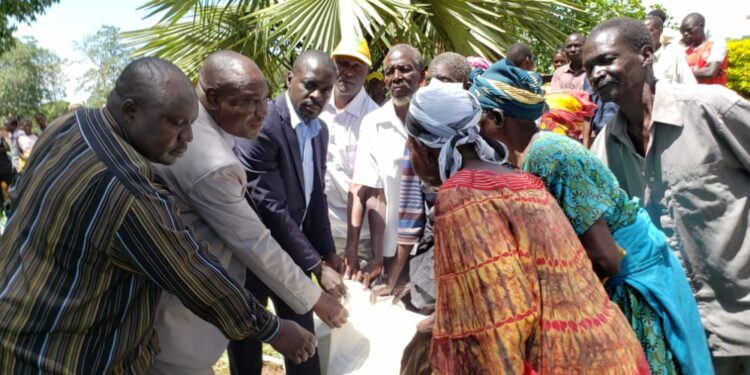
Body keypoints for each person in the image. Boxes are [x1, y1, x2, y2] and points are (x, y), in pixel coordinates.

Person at [0, 57, 317, 373]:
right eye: (176, 123)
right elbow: (195, 275)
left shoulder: (68, 125)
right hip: (60, 354)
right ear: (129, 111)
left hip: (14, 316)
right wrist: (274, 329)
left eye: (191, 124)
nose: (188, 138)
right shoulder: (129, 192)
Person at [473, 59, 712, 374]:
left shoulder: (549, 155)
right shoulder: (535, 155)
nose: (474, 128)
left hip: (631, 284)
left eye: (477, 118)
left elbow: (606, 258)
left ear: (496, 118)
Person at [404, 80, 649, 374]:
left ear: (423, 149)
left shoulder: (460, 196)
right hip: (605, 350)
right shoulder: (521, 180)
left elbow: (498, 322)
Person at [148, 51, 347, 375]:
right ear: (213, 97)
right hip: (203, 293)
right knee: (241, 353)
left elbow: (315, 195)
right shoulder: (213, 160)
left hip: (273, 262)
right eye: (250, 102)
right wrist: (316, 293)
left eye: (263, 100)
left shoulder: (220, 129)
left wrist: (326, 252)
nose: (261, 112)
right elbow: (257, 233)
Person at [584, 17, 750, 375]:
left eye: (607, 60)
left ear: (647, 54)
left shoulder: (711, 110)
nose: (597, 74)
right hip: (676, 333)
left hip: (741, 321)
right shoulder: (604, 150)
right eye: (589, 68)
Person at [231, 50, 344, 375]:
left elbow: (315, 196)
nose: (317, 96)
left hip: (292, 257)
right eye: (310, 85)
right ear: (289, 79)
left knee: (304, 347)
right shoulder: (264, 126)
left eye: (325, 90)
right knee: (247, 346)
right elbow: (270, 206)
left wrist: (328, 253)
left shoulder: (319, 130)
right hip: (254, 255)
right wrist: (316, 265)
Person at [346, 44, 425, 292]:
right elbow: (375, 196)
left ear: (422, 76)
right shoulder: (373, 123)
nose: (396, 77)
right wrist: (378, 256)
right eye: (390, 71)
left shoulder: (435, 118)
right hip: (394, 247)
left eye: (405, 69)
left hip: (432, 245)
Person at [318, 37, 380, 267]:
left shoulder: (375, 119)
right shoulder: (316, 107)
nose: (349, 72)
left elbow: (373, 189)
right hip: (319, 227)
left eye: (357, 66)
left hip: (359, 235)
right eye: (343, 63)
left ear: (367, 72)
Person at [644, 15, 696, 84]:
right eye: (644, 31)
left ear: (661, 31)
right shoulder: (638, 56)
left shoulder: (673, 54)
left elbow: (689, 83)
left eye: (651, 30)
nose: (646, 35)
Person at [681, 13, 728, 85]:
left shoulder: (716, 44)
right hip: (691, 95)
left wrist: (682, 74)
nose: (685, 34)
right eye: (683, 31)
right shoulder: (684, 50)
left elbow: (711, 71)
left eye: (689, 30)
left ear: (701, 26)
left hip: (713, 95)